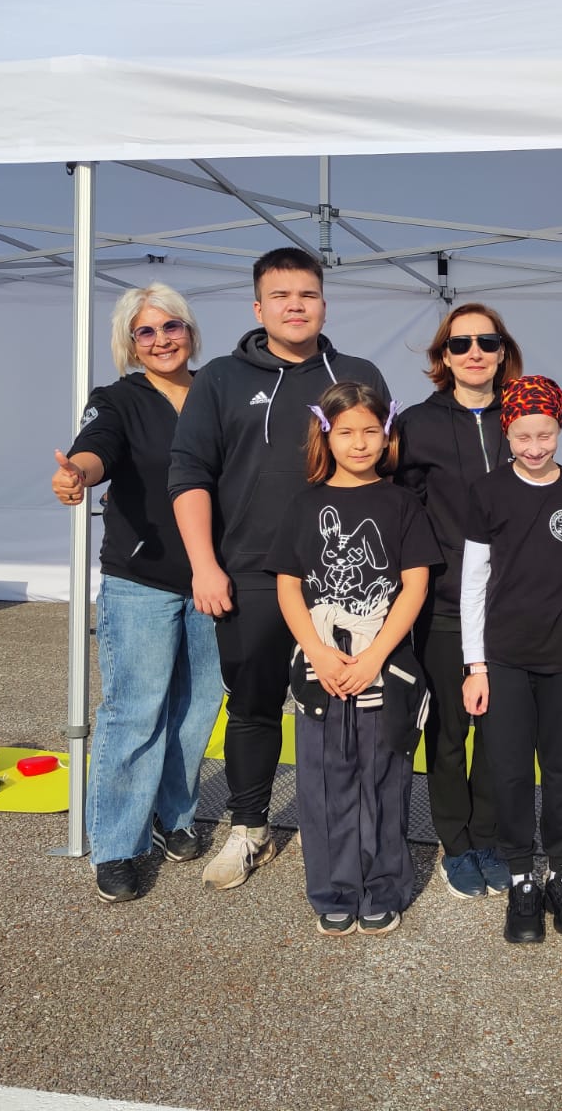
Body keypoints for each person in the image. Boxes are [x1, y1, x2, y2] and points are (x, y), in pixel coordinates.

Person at [169, 246, 390, 891]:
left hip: (346, 576)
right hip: (253, 571)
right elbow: (189, 474)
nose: (296, 307)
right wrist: (204, 565)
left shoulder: (357, 374)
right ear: (258, 306)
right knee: (254, 704)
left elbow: (385, 464)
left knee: (354, 703)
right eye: (281, 296)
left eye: (308, 295)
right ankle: (249, 828)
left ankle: (354, 830)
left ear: (324, 303)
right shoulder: (220, 378)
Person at [50, 283, 222, 904]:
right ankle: (119, 845)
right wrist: (78, 474)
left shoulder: (219, 390)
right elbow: (95, 449)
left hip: (214, 578)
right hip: (141, 579)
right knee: (135, 711)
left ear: (190, 331)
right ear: (129, 343)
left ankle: (175, 816)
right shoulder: (117, 399)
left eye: (171, 326)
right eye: (145, 331)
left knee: (197, 709)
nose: (160, 340)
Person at [266, 381, 440, 936]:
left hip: (382, 660)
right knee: (323, 781)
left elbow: (414, 586)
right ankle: (334, 890)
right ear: (326, 435)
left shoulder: (402, 503)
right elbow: (289, 586)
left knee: (383, 778)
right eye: (346, 432)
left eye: (370, 431)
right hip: (320, 662)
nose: (359, 443)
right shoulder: (304, 504)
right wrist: (318, 652)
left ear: (386, 434)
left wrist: (375, 656)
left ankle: (383, 887)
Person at [460, 376, 562, 945]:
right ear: (507, 432)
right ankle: (522, 877)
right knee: (507, 770)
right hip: (503, 659)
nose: (534, 447)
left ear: (559, 429)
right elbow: (472, 583)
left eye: (545, 435)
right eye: (523, 436)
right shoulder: (487, 492)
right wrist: (475, 666)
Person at [395, 303, 524, 900]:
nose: (475, 352)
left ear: (502, 352)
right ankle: (457, 843)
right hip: (445, 603)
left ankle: (489, 837)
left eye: (487, 342)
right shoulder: (416, 424)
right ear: (443, 356)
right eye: (461, 343)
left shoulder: (523, 414)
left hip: (512, 602)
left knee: (499, 731)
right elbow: (402, 510)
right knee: (448, 732)